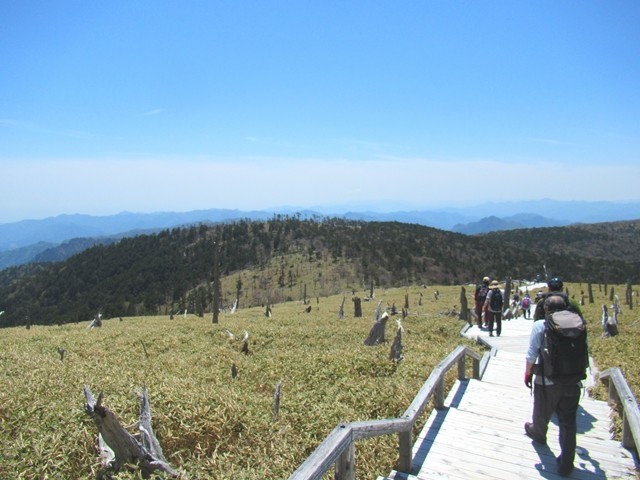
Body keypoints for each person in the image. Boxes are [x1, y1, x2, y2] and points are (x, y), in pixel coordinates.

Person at [524, 277, 584, 477]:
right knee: (568, 422)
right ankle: (567, 463)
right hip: (573, 380)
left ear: (546, 308)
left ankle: (538, 433)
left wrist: (527, 372)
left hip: (546, 379)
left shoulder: (540, 325)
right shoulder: (577, 323)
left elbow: (532, 353)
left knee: (541, 411)